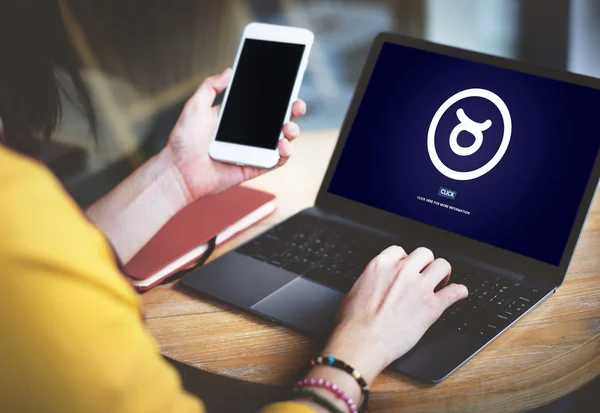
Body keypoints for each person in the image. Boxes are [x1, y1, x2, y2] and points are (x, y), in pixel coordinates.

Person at [0, 2, 468, 412]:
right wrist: (360, 348)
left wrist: (175, 176)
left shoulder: (21, 208)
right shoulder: (17, 216)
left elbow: (53, 254)